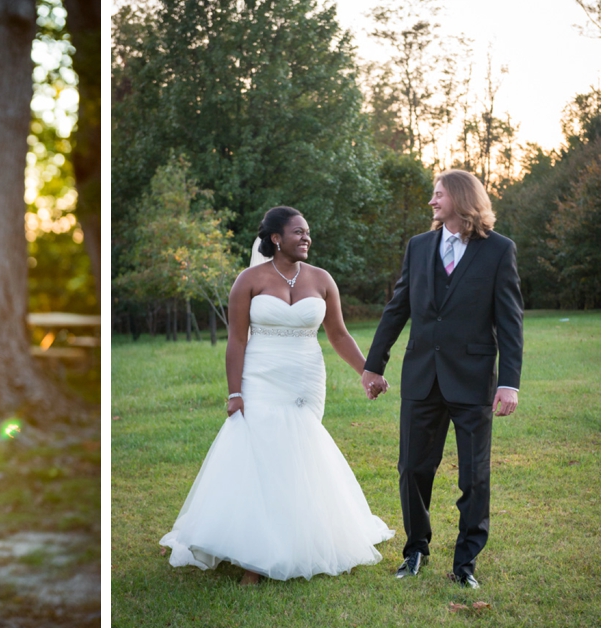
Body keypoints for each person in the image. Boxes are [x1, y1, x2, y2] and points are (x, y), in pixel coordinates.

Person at [160, 206, 394, 585]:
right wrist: (234, 392)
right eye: (299, 232)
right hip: (260, 376)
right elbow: (236, 339)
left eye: (307, 232)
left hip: (305, 378)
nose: (306, 238)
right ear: (275, 239)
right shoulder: (248, 280)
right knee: (265, 456)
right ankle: (255, 558)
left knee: (299, 454)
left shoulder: (321, 280)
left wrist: (368, 371)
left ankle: (307, 539)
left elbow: (338, 334)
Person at [361, 169, 523, 589]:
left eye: (438, 195)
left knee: (474, 475)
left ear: (461, 198)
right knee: (412, 468)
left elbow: (510, 322)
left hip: (472, 380)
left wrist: (509, 381)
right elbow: (398, 308)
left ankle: (465, 561)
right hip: (421, 378)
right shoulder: (418, 247)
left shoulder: (499, 251)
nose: (432, 202)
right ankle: (415, 551)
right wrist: (373, 364)